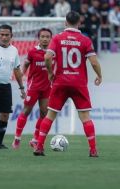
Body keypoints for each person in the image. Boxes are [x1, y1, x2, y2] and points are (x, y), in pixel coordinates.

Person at [33, 11, 102, 157]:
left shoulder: (57, 38)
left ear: (65, 23)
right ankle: (93, 150)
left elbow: (47, 57)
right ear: (80, 23)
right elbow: (94, 62)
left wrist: (51, 73)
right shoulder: (85, 40)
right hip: (79, 83)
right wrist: (99, 75)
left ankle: (39, 146)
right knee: (85, 117)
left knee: (50, 115)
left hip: (60, 82)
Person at [12, 28, 53, 150]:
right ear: (39, 38)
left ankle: (35, 139)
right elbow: (25, 66)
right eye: (42, 36)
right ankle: (17, 138)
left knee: (44, 113)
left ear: (51, 38)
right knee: (26, 111)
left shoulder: (53, 53)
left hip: (47, 87)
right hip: (33, 87)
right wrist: (21, 81)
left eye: (47, 37)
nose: (45, 39)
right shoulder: (32, 52)